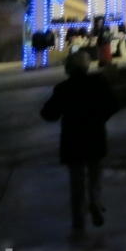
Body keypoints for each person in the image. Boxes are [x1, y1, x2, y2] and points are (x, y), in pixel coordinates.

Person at [40, 50, 120, 232]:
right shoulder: (98, 84)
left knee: (76, 181)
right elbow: (114, 105)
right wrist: (100, 117)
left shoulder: (63, 89)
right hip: (95, 136)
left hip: (72, 140)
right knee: (95, 174)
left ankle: (78, 219)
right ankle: (95, 202)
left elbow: (48, 113)